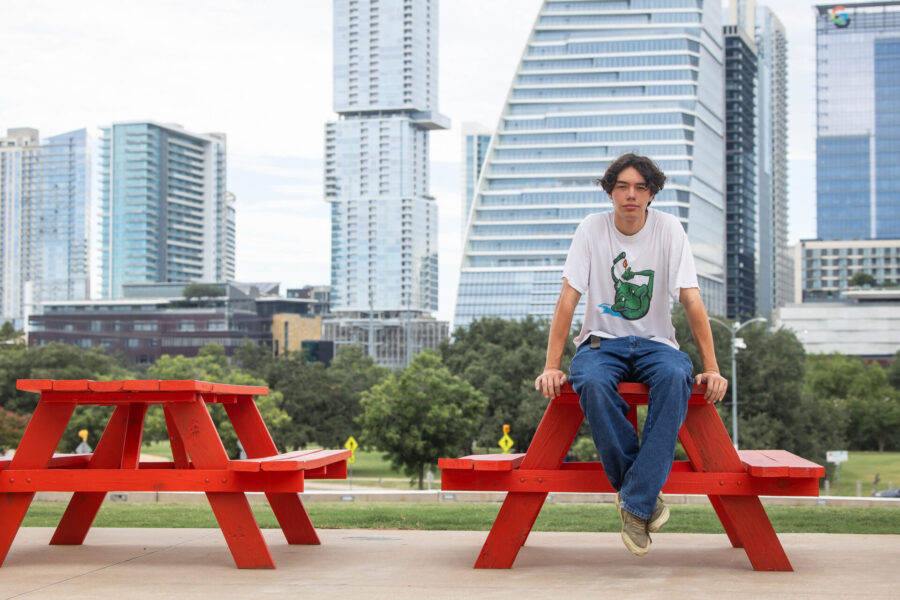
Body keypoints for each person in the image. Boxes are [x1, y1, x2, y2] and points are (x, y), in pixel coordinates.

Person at [533, 153, 728, 557]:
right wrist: (552, 366)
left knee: (676, 376)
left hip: (658, 343)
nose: (631, 195)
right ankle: (643, 499)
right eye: (622, 186)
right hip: (602, 342)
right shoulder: (591, 228)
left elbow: (691, 299)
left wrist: (713, 368)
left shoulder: (669, 229)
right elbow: (568, 299)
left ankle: (634, 499)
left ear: (652, 193)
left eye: (640, 187)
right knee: (590, 380)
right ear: (610, 191)